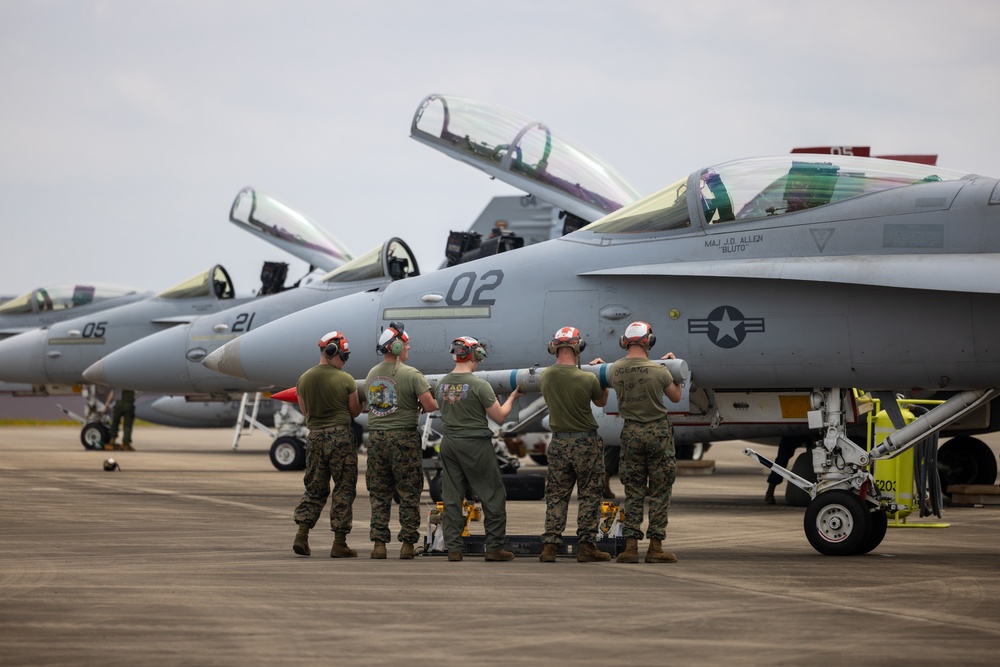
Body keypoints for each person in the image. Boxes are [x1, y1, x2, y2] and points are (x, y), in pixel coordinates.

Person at [436, 336, 521, 562]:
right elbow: (500, 416)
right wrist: (512, 398)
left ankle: (453, 548)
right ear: (475, 355)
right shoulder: (479, 385)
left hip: (449, 443)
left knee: (453, 496)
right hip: (474, 443)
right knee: (492, 494)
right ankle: (493, 547)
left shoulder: (441, 383)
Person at [608, 321, 683, 564]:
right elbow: (676, 396)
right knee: (660, 492)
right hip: (658, 432)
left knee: (634, 491)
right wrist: (674, 371)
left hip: (630, 433)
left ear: (624, 341)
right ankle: (655, 547)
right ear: (649, 340)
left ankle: (630, 548)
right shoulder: (660, 371)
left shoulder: (615, 370)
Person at [364, 322, 438, 560]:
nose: (408, 349)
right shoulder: (411, 374)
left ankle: (379, 545)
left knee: (379, 493)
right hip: (403, 439)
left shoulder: (371, 374)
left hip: (376, 439)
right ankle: (407, 544)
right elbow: (430, 405)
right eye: (405, 345)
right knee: (408, 493)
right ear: (396, 346)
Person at [538, 326, 611, 563]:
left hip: (559, 443)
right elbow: (600, 401)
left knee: (557, 495)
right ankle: (587, 546)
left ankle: (550, 545)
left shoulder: (546, 375)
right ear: (578, 347)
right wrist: (601, 378)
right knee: (589, 494)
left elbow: (564, 378)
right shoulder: (588, 378)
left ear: (553, 347)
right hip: (586, 443)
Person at [291, 331, 363, 558]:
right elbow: (353, 412)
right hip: (340, 438)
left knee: (314, 488)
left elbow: (305, 412)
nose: (344, 360)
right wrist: (362, 402)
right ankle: (339, 543)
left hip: (314, 439)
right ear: (333, 352)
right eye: (344, 355)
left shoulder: (303, 379)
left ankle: (302, 535)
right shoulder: (346, 379)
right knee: (343, 488)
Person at [764, 436, 805, 504]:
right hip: (795, 432)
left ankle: (770, 492)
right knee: (781, 460)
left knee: (781, 459)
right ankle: (770, 491)